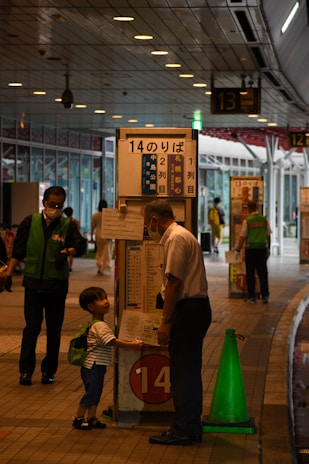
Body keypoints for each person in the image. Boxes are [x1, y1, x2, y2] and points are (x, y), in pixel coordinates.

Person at [144, 199, 212, 445]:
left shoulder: (175, 238)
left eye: (147, 225)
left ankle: (184, 429)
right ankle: (190, 426)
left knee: (183, 373)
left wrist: (166, 321)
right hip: (196, 308)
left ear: (154, 220)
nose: (149, 230)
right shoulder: (183, 236)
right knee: (189, 372)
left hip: (188, 309)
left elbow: (173, 283)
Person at [3, 186, 87, 386]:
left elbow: (81, 247)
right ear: (44, 203)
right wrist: (8, 274)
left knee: (54, 330)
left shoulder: (68, 225)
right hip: (33, 283)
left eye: (59, 204)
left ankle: (49, 371)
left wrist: (67, 251)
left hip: (56, 286)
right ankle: (26, 371)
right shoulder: (29, 222)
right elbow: (18, 251)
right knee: (31, 328)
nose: (56, 208)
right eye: (52, 204)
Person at [73, 286, 143, 430]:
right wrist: (132, 344)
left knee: (96, 392)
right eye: (100, 299)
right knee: (92, 392)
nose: (106, 302)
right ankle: (78, 417)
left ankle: (91, 417)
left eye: (105, 298)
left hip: (97, 365)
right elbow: (111, 341)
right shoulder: (99, 326)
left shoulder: (99, 324)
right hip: (93, 365)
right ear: (91, 307)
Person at [235, 200, 272, 304]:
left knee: (250, 273)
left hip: (250, 250)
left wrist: (238, 248)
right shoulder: (264, 220)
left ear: (249, 209)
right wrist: (268, 249)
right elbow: (268, 236)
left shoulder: (248, 221)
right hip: (262, 249)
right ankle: (265, 296)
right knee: (263, 273)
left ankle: (252, 297)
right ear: (257, 208)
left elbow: (243, 236)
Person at [91, 199, 112, 276]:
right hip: (107, 235)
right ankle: (103, 267)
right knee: (106, 252)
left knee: (99, 251)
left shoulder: (95, 215)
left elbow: (93, 227)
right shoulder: (109, 215)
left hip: (98, 235)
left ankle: (99, 265)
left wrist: (91, 237)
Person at [63, 207, 80, 272]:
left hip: (65, 238)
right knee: (70, 254)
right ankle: (70, 267)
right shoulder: (75, 221)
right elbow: (78, 230)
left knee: (64, 252)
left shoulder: (64, 221)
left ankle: (66, 266)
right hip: (72, 239)